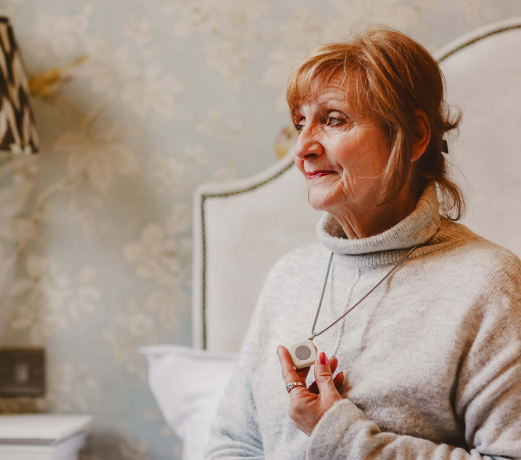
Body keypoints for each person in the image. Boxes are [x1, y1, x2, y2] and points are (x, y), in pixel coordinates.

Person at [204, 27, 521, 460]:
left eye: (333, 120)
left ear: (414, 136)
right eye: (300, 124)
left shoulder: (489, 284)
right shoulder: (289, 277)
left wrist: (342, 435)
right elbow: (233, 445)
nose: (303, 148)